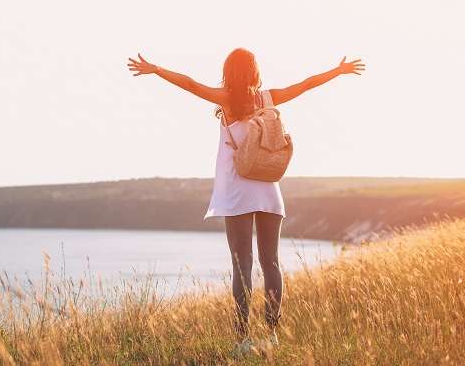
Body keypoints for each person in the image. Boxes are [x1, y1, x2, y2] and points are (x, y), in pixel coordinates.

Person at [126, 48, 365, 353]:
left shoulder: (226, 100)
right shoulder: (267, 98)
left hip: (237, 191)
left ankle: (242, 340)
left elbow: (190, 85)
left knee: (242, 265)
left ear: (228, 71)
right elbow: (305, 85)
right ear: (254, 70)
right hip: (268, 189)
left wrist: (156, 69)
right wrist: (337, 71)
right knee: (271, 263)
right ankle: (273, 334)